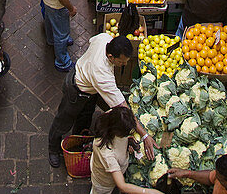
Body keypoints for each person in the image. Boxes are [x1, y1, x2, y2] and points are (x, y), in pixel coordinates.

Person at [48, 32, 157, 168]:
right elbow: (123, 108)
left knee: (86, 116)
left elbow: (91, 40)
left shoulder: (104, 38)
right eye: (122, 62)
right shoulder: (102, 74)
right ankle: (53, 147)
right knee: (63, 120)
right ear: (111, 57)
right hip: (76, 90)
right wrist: (144, 135)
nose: (124, 64)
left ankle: (80, 137)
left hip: (87, 83)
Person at [88, 106, 172, 194]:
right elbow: (122, 186)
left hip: (116, 172)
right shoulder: (106, 153)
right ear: (117, 132)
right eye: (125, 135)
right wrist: (153, 193)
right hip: (104, 180)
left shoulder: (114, 116)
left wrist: (129, 141)